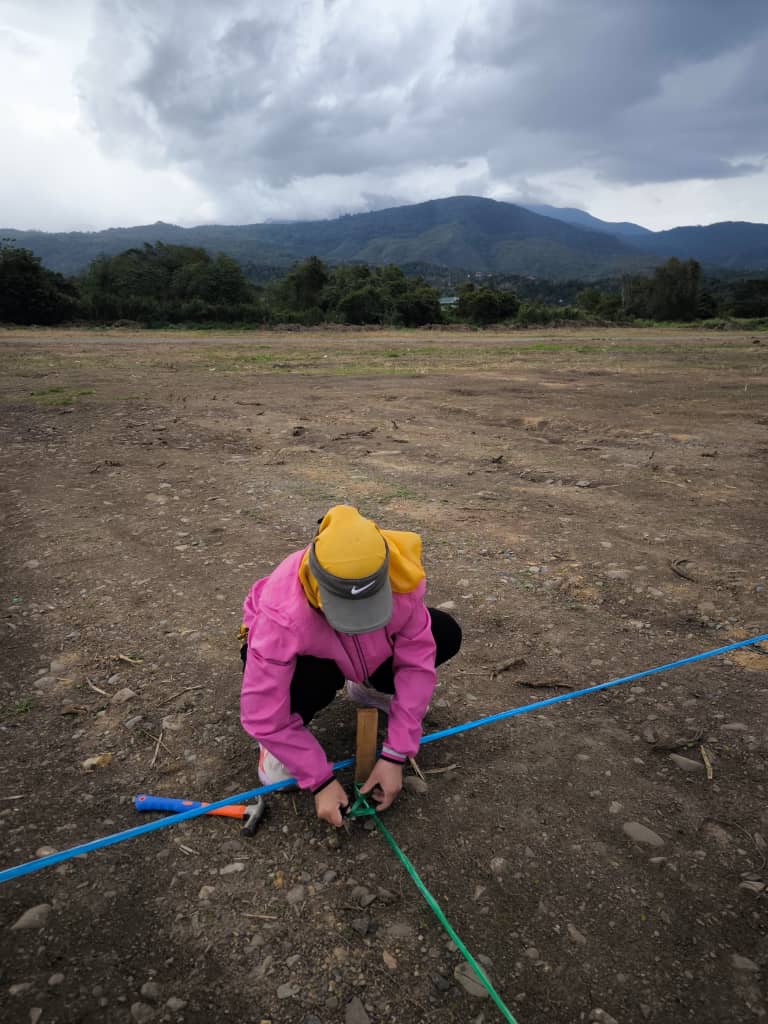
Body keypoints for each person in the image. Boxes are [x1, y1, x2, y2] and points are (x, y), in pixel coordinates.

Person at [239, 505, 462, 827]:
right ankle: (282, 746)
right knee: (313, 677)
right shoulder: (281, 615)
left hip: (362, 655)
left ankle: (367, 687)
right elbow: (261, 712)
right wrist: (318, 779)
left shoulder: (403, 578)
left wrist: (395, 754)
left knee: (443, 631)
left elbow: (416, 666)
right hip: (312, 656)